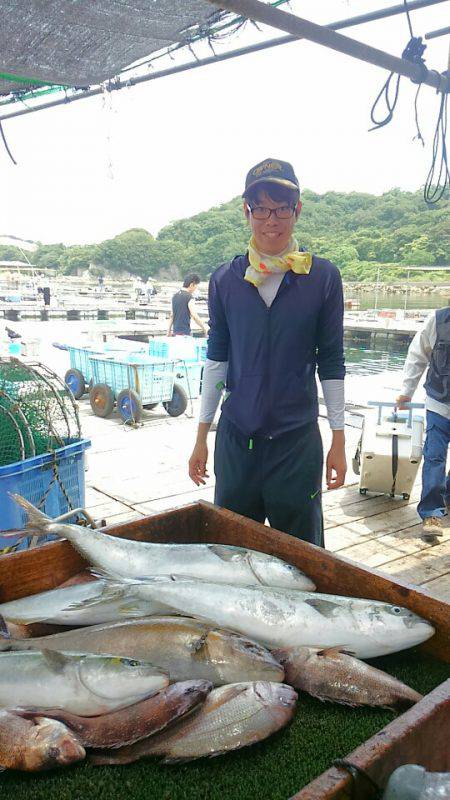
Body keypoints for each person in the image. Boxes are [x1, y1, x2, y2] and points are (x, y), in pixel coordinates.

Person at [188, 158, 346, 546]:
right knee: (230, 549)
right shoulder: (225, 280)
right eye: (260, 209)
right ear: (247, 212)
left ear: (297, 210)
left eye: (281, 209)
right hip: (237, 440)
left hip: (296, 445)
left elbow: (331, 361)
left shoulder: (323, 278)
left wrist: (339, 439)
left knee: (303, 554)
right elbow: (217, 359)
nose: (270, 220)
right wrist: (201, 435)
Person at [396, 307, 450, 543]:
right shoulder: (437, 320)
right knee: (435, 457)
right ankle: (431, 513)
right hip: (439, 405)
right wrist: (406, 392)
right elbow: (417, 355)